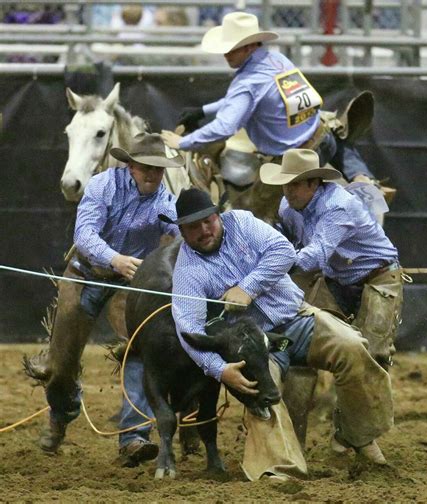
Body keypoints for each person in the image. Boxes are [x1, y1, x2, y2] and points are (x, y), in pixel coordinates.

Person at [169, 187, 394, 481]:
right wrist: (221, 370)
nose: (203, 230)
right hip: (254, 343)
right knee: (262, 394)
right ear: (182, 233)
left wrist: (247, 288)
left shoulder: (242, 222)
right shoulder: (187, 271)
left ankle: (360, 436)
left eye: (208, 221)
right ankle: (280, 468)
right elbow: (189, 330)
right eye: (193, 227)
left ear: (218, 215)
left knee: (352, 346)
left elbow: (284, 252)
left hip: (295, 315)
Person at [38, 132, 184, 467]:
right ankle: (61, 414)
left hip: (130, 284)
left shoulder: (166, 202)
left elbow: (180, 239)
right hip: (85, 273)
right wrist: (115, 258)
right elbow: (84, 234)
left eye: (158, 169)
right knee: (62, 362)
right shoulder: (103, 185)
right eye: (145, 167)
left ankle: (133, 437)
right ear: (130, 165)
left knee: (137, 350)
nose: (152, 174)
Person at [160, 11, 375, 184]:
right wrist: (204, 111)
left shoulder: (248, 82)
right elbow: (244, 100)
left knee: (260, 210)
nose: (225, 54)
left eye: (231, 49)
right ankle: (362, 177)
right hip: (323, 137)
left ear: (249, 46)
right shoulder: (276, 60)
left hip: (296, 159)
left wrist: (183, 142)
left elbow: (225, 127)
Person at [260, 148, 404, 368]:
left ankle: (362, 400)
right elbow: (289, 243)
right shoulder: (287, 207)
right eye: (285, 184)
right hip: (336, 280)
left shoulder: (338, 206)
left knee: (373, 355)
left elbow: (315, 256)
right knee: (311, 342)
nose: (288, 191)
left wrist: (271, 266)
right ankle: (323, 401)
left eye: (295, 184)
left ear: (314, 183)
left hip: (378, 279)